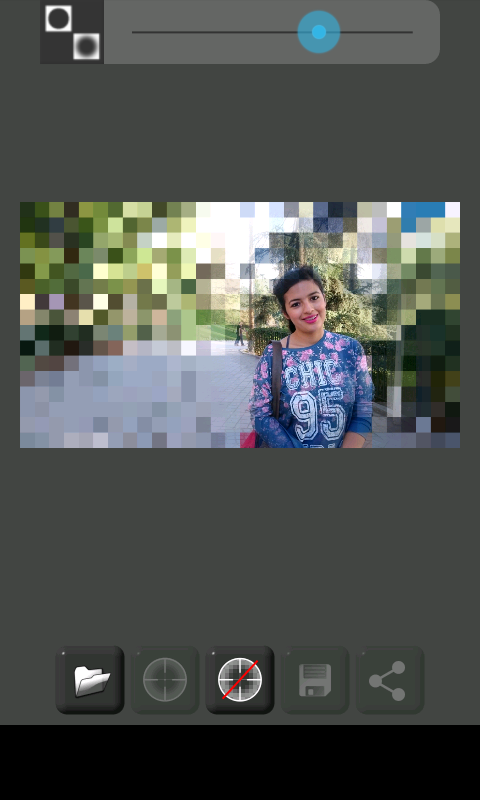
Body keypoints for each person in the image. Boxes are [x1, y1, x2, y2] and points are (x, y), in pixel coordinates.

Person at [248, 266, 374, 448]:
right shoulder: (272, 356)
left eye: (314, 298)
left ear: (324, 299)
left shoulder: (350, 349)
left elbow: (363, 408)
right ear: (286, 313)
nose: (308, 309)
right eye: (296, 304)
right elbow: (260, 415)